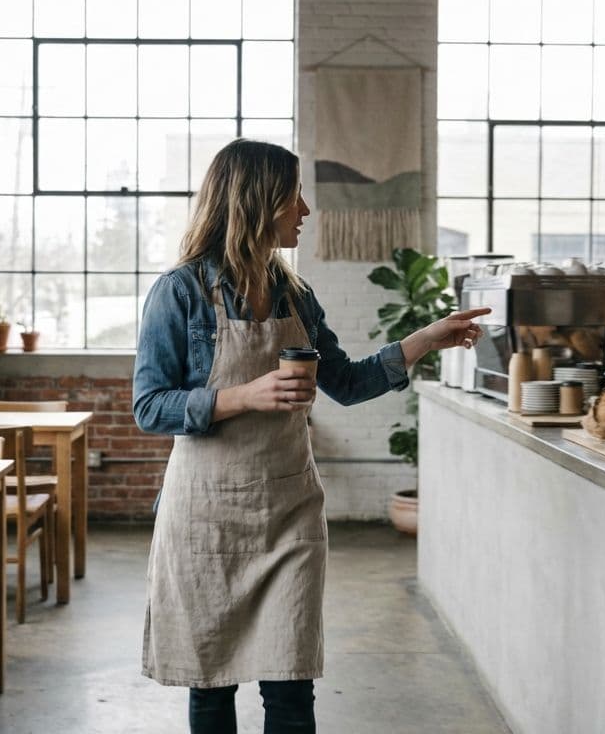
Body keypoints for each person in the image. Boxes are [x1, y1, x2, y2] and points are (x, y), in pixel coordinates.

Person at [132, 139, 487, 733]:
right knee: (212, 685)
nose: (306, 208)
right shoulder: (181, 293)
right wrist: (244, 396)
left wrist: (425, 338)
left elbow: (345, 382)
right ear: (258, 201)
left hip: (288, 514)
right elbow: (149, 407)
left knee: (292, 689)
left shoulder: (296, 295)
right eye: (294, 194)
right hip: (206, 518)